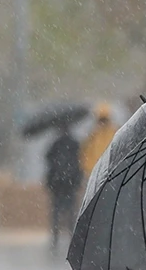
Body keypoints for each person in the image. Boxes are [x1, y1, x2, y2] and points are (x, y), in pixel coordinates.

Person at [44, 125, 83, 254]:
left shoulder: (54, 144)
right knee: (71, 209)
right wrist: (77, 179)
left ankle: (55, 236)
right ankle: (72, 235)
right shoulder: (75, 143)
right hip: (70, 182)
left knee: (56, 210)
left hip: (57, 182)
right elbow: (80, 161)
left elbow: (47, 159)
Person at [81, 102, 117, 181]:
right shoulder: (93, 134)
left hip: (110, 171)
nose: (103, 123)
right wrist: (88, 170)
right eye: (101, 119)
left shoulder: (114, 132)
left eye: (104, 119)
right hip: (96, 172)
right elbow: (86, 154)